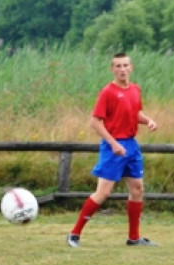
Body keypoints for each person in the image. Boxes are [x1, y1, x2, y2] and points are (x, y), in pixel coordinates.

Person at [67, 52, 158, 248]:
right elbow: (95, 122)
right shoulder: (108, 92)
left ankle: (134, 238)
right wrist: (113, 143)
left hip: (131, 145)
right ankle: (74, 234)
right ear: (112, 69)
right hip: (113, 146)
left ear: (131, 67)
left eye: (125, 65)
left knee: (137, 189)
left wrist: (148, 120)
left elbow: (135, 113)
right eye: (118, 66)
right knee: (103, 193)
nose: (122, 69)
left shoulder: (135, 89)